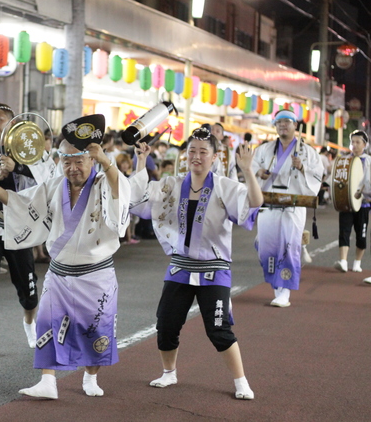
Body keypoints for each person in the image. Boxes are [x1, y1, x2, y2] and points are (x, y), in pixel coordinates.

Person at [0, 114, 130, 399]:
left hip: (95, 273)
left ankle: (90, 377)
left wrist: (108, 163)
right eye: (66, 161)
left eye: (78, 161)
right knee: (47, 320)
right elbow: (27, 201)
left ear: (92, 161)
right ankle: (48, 381)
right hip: (59, 272)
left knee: (95, 327)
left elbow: (120, 200)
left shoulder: (105, 182)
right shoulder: (57, 185)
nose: (72, 168)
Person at [130, 128, 262, 400]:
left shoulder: (225, 186)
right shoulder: (173, 184)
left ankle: (241, 381)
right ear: (185, 155)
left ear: (214, 157)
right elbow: (140, 199)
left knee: (218, 329)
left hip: (214, 268)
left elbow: (254, 202)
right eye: (192, 151)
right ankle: (169, 372)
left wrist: (248, 171)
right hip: (180, 266)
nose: (197, 156)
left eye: (203, 152)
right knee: (166, 323)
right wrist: (141, 161)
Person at [0, 102, 56, 358]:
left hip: (22, 228)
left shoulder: (33, 153)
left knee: (28, 285)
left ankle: (29, 322)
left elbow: (48, 181)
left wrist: (17, 168)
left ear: (13, 123)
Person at [252, 110, 323, 307]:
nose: (283, 125)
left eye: (287, 122)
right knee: (265, 248)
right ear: (275, 126)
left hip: (293, 207)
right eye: (279, 122)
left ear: (296, 126)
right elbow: (252, 168)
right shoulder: (264, 149)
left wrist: (302, 168)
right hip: (268, 204)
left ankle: (285, 292)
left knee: (289, 247)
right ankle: (277, 288)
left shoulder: (307, 152)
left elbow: (317, 175)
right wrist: (259, 172)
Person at [335, 130, 371, 273]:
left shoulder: (368, 161)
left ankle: (357, 262)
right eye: (353, 142)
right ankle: (343, 261)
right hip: (346, 202)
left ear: (365, 145)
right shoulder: (344, 160)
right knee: (344, 231)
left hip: (364, 203)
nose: (354, 145)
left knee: (361, 234)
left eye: (358, 142)